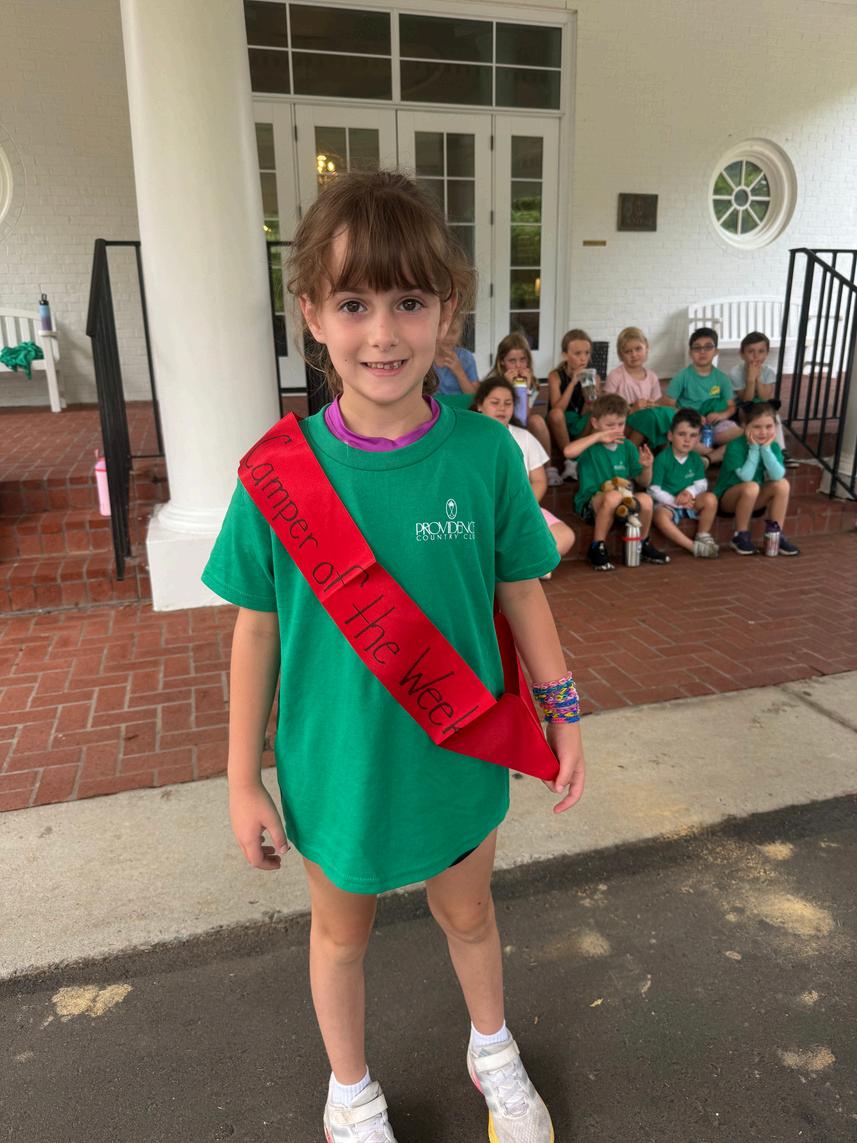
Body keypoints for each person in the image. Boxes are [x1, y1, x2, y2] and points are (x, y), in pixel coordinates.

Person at [201, 170, 585, 1143]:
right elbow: (256, 629)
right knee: (341, 935)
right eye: (353, 304)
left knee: (470, 914)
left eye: (409, 302)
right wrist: (241, 778)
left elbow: (521, 590)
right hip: (336, 765)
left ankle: (491, 1049)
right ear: (310, 315)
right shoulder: (276, 476)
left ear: (447, 311)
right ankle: (350, 1092)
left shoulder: (486, 455)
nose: (382, 333)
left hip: (458, 748)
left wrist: (562, 710)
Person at [472, 375, 576, 575]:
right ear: (480, 405)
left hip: (522, 508)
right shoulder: (469, 438)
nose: (502, 408)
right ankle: (523, 569)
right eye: (495, 402)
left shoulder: (524, 437)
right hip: (482, 511)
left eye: (508, 403)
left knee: (565, 536)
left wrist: (522, 508)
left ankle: (523, 569)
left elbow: (539, 481)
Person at [564, 393, 670, 572]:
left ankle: (642, 543)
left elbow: (643, 482)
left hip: (623, 502)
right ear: (595, 423)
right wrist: (597, 437)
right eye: (609, 425)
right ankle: (597, 547)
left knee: (646, 499)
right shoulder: (589, 445)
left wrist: (647, 467)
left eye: (620, 424)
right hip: (591, 504)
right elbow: (568, 452)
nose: (615, 429)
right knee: (613, 496)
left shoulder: (627, 446)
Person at [714, 401, 801, 556]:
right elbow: (746, 477)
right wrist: (754, 449)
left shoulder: (772, 446)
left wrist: (766, 450)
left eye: (768, 426)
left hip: (753, 498)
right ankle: (740, 536)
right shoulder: (735, 446)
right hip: (727, 501)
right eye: (757, 427)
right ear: (745, 426)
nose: (763, 432)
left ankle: (776, 536)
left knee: (782, 484)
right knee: (751, 486)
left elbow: (777, 475)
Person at [650, 408, 720, 558]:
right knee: (660, 516)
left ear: (699, 438)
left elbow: (702, 484)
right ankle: (693, 547)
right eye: (682, 434)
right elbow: (653, 490)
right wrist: (675, 501)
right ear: (670, 435)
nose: (687, 440)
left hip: (689, 502)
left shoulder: (695, 458)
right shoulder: (662, 459)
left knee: (710, 499)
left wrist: (689, 492)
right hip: (667, 503)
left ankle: (703, 535)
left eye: (693, 435)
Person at [664, 327, 738, 463]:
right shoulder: (682, 377)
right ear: (690, 352)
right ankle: (712, 455)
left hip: (714, 426)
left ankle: (708, 456)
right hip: (689, 426)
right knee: (682, 438)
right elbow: (669, 405)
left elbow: (731, 406)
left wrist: (721, 415)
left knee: (742, 435)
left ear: (716, 351)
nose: (702, 352)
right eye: (697, 348)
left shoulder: (722, 378)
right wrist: (691, 416)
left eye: (708, 347)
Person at [485, 332, 553, 468]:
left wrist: (526, 390)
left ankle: (548, 468)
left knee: (537, 421)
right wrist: (507, 386)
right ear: (502, 362)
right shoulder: (493, 382)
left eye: (523, 360)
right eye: (512, 361)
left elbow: (524, 418)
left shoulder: (531, 382)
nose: (518, 366)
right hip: (498, 423)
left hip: (520, 423)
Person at [729, 331, 794, 462]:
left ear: (767, 353)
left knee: (773, 416)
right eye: (750, 351)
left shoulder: (769, 371)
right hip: (742, 406)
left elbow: (764, 398)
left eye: (761, 351)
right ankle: (750, 449)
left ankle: (780, 449)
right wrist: (750, 379)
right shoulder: (736, 372)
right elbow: (746, 399)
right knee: (747, 417)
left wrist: (757, 377)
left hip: (761, 404)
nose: (756, 356)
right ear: (742, 354)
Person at [607, 326, 674, 452]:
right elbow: (606, 407)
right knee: (647, 417)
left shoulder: (652, 377)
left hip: (648, 420)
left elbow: (656, 404)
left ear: (646, 348)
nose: (634, 355)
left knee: (667, 413)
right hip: (624, 422)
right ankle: (627, 453)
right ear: (621, 355)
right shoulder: (615, 376)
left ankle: (664, 454)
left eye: (638, 349)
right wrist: (631, 409)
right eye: (628, 351)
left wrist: (652, 404)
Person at [547, 328, 601, 481]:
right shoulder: (555, 376)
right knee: (556, 414)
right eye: (577, 354)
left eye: (587, 353)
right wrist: (572, 383)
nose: (583, 358)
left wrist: (590, 395)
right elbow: (557, 409)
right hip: (559, 424)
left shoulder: (593, 377)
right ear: (565, 355)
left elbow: (586, 413)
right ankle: (571, 460)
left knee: (598, 415)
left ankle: (583, 460)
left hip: (579, 425)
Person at [433, 312, 479, 400]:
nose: (449, 338)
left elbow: (473, 396)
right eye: (444, 332)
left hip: (458, 405)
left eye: (454, 332)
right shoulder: (426, 355)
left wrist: (459, 371)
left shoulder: (466, 358)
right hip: (432, 406)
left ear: (460, 333)